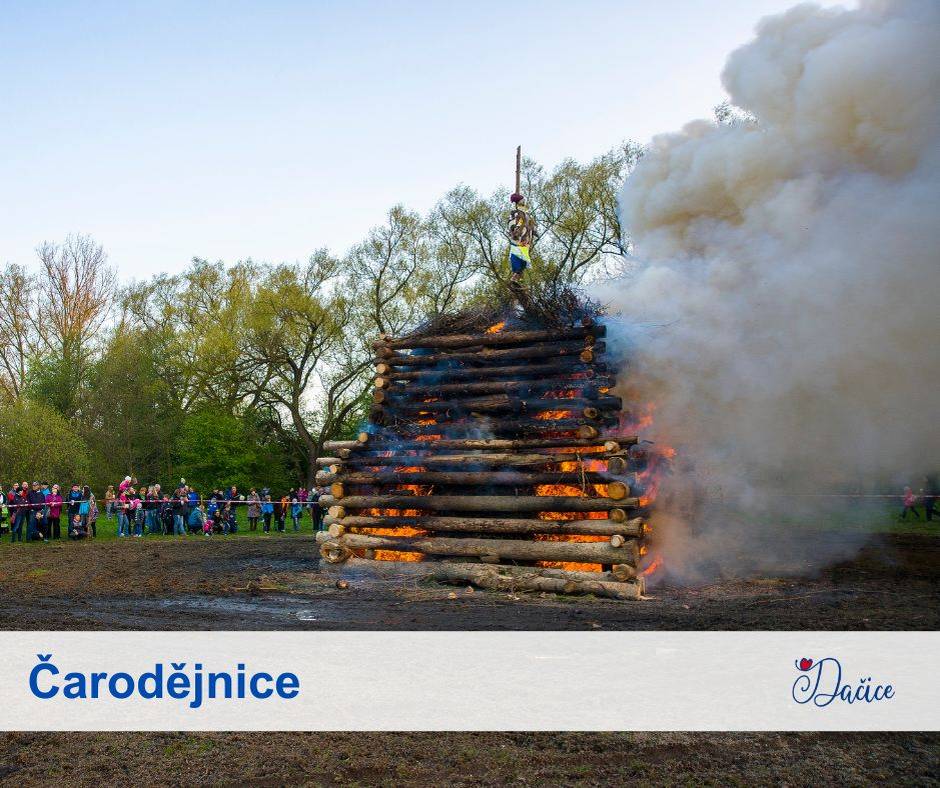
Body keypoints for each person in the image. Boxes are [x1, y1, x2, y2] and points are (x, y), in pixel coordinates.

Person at [507, 192, 536, 281]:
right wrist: (516, 231)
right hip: (519, 240)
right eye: (522, 200)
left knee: (523, 262)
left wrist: (533, 231)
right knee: (517, 259)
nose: (524, 201)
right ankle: (515, 278)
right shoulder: (516, 213)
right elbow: (514, 223)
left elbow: (531, 224)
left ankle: (516, 279)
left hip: (525, 240)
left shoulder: (526, 213)